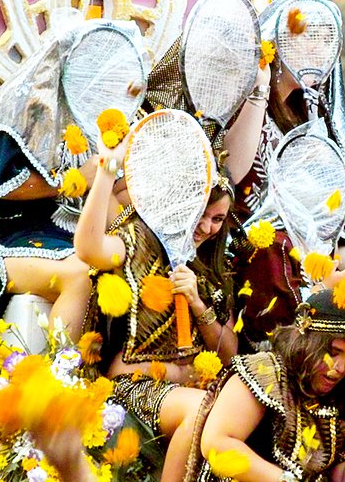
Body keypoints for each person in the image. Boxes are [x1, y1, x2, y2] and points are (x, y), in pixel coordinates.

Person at [0, 19, 145, 341]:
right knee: (82, 274)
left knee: (130, 272)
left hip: (69, 239)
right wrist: (76, 178)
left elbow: (117, 207)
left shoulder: (101, 128)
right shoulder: (9, 119)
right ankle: (61, 380)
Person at [75, 133, 238, 481]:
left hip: (194, 390)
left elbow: (228, 354)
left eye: (218, 219)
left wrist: (197, 304)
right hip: (134, 388)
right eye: (202, 213)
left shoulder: (214, 268)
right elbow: (89, 249)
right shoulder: (140, 239)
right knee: (201, 411)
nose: (206, 227)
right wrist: (107, 171)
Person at [184, 289, 345, 482]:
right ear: (307, 344)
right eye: (332, 353)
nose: (341, 367)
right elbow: (217, 443)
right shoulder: (266, 371)